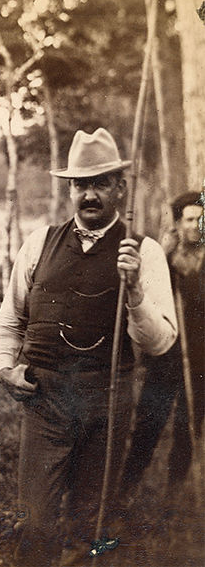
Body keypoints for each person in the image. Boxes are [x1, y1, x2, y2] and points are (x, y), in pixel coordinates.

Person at [0, 128, 177, 566]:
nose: (89, 194)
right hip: (46, 402)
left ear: (120, 187)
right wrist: (5, 369)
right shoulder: (39, 243)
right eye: (80, 185)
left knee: (90, 524)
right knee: (35, 522)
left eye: (99, 183)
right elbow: (9, 319)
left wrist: (133, 291)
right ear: (69, 189)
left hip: (106, 402)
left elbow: (160, 342)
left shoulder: (144, 252)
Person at [120, 190, 204, 494]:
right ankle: (126, 488)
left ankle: (174, 490)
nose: (196, 225)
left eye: (201, 219)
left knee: (188, 425)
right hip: (166, 356)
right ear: (179, 224)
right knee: (149, 422)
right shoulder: (164, 256)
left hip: (199, 359)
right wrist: (166, 258)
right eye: (190, 219)